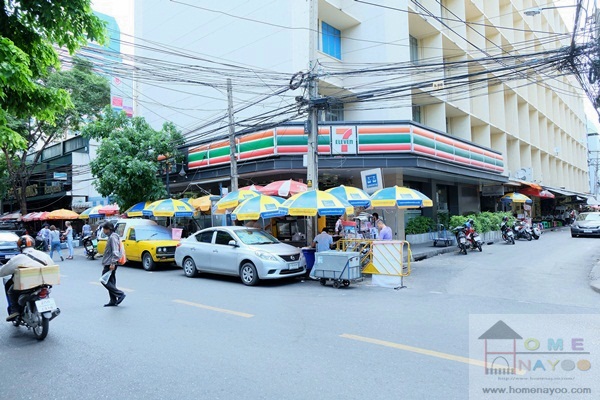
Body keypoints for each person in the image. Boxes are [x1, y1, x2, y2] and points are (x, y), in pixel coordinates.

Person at [1, 235, 54, 321]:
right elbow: (52, 266)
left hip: (27, 285)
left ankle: (15, 311)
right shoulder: (44, 255)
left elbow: (3, 271)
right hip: (44, 283)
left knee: (11, 291)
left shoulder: (18, 258)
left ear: (19, 246)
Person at [100, 222, 126, 307]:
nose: (103, 231)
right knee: (111, 281)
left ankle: (120, 294)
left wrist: (113, 263)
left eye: (104, 229)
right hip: (110, 262)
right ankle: (113, 300)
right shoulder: (111, 236)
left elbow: (115, 251)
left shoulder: (113, 237)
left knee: (104, 280)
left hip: (110, 263)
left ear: (108, 229)